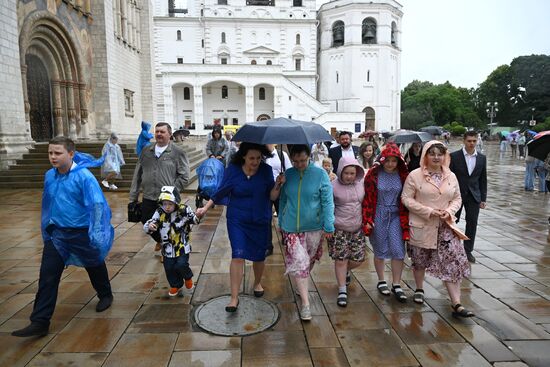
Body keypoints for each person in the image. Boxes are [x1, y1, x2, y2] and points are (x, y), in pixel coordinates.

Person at [12, 137, 114, 337]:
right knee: (47, 276)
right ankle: (40, 321)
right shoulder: (49, 175)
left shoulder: (84, 177)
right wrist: (46, 227)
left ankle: (105, 294)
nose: (52, 157)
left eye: (57, 153)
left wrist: (97, 233)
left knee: (94, 264)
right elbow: (47, 202)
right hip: (57, 235)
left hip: (82, 233)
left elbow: (97, 205)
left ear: (70, 154)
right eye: (50, 153)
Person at [196, 143, 285, 312]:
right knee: (238, 254)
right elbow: (221, 191)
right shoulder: (233, 170)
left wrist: (278, 185)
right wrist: (205, 208)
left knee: (259, 256)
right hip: (237, 219)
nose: (256, 162)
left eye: (259, 158)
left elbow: (272, 195)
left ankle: (257, 282)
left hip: (260, 218)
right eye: (252, 158)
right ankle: (234, 298)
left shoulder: (265, 171)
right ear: (243, 156)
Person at [402, 140, 473, 318]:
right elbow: (406, 199)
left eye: (439, 154)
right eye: (432, 153)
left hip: (445, 226)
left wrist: (449, 211)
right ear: (425, 155)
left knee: (452, 261)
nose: (436, 157)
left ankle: (456, 302)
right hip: (423, 224)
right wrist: (428, 211)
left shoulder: (451, 176)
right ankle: (419, 289)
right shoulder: (415, 175)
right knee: (420, 259)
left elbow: (457, 198)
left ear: (445, 156)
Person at [279, 144, 334, 321]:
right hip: (291, 227)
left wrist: (329, 224)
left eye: (303, 160)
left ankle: (300, 283)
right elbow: (282, 200)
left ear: (309, 157)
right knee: (300, 261)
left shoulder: (320, 175)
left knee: (309, 261)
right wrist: (281, 220)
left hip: (314, 226)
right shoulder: (287, 174)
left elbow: (327, 201)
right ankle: (306, 304)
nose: (299, 164)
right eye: (295, 161)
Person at [129, 122, 190, 256]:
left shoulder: (177, 152)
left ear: (169, 134)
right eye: (157, 132)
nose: (159, 134)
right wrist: (133, 197)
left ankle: (166, 250)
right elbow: (137, 174)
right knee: (145, 219)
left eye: (162, 132)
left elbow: (185, 176)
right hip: (149, 196)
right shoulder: (146, 151)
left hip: (168, 200)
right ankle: (160, 240)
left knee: (168, 225)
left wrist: (172, 190)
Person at [362, 142, 410, 302]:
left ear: (399, 161)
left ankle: (396, 283)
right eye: (387, 160)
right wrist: (367, 219)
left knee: (398, 249)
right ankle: (381, 280)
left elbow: (409, 196)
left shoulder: (403, 175)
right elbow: (367, 199)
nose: (390, 164)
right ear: (382, 159)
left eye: (394, 161)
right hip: (378, 213)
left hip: (397, 214)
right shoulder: (373, 174)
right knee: (380, 248)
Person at [144, 186, 199, 296]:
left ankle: (188, 278)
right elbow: (150, 223)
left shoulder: (184, 210)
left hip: (182, 245)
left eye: (170, 204)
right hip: (167, 248)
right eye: (164, 204)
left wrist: (198, 215)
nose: (167, 207)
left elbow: (193, 218)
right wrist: (150, 226)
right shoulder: (160, 212)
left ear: (176, 203)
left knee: (181, 264)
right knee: (169, 268)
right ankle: (176, 285)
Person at [329, 156, 366, 307]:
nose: (350, 176)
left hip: (357, 227)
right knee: (341, 259)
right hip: (339, 228)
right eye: (346, 173)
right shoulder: (332, 185)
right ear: (340, 172)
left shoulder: (361, 184)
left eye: (352, 173)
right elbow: (327, 206)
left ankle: (344, 272)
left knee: (358, 259)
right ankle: (342, 289)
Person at [449, 131, 487, 263]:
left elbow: (483, 179)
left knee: (472, 223)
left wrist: (483, 198)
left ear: (477, 141)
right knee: (452, 222)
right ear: (464, 141)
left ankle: (467, 250)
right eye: (469, 141)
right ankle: (451, 249)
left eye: (474, 141)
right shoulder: (454, 156)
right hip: (456, 195)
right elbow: (449, 176)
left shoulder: (482, 158)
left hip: (473, 195)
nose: (472, 143)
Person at [265, 144, 292, 256]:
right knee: (266, 217)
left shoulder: (282, 155)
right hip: (265, 190)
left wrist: (284, 177)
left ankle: (285, 238)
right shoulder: (261, 156)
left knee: (282, 214)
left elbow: (289, 171)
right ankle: (267, 245)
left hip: (280, 189)